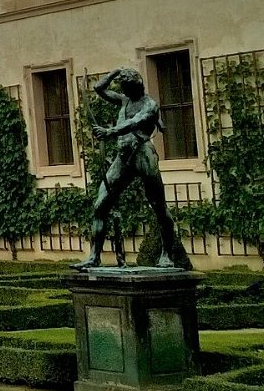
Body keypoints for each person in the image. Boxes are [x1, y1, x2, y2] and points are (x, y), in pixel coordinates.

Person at [75, 67, 186, 270]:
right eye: (123, 89)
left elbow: (135, 123)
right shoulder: (125, 100)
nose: (123, 92)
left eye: (126, 89)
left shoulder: (150, 105)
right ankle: (94, 256)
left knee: (159, 207)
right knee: (100, 205)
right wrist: (115, 72)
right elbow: (99, 88)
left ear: (137, 87)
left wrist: (110, 132)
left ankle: (167, 255)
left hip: (143, 154)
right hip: (123, 157)